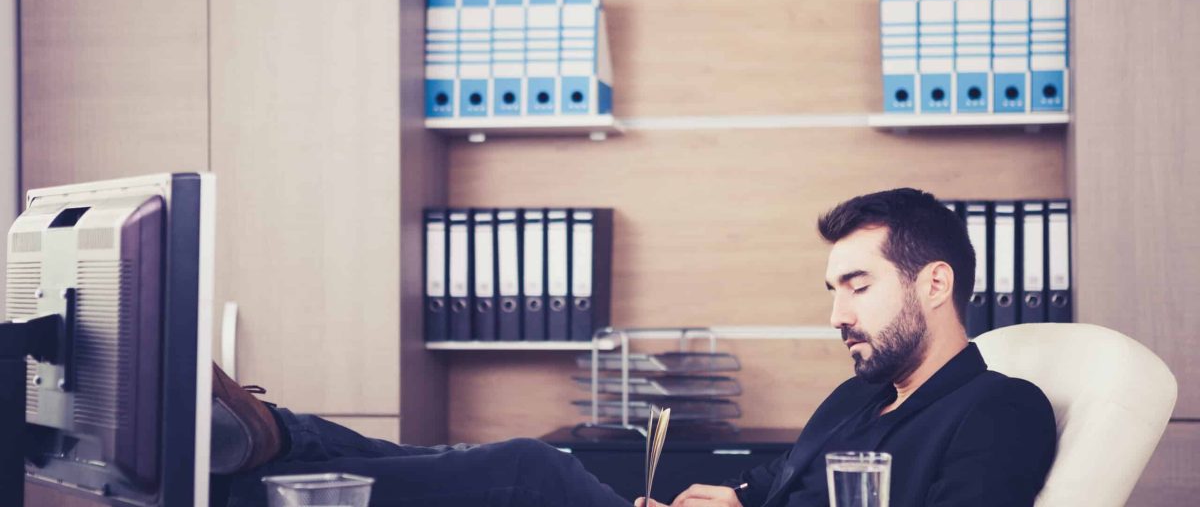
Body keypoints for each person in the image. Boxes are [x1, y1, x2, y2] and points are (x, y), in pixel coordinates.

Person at [213, 188, 1056, 507]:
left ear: (935, 285)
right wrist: (727, 496)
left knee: (524, 471)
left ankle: (272, 445)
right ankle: (271, 449)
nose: (836, 312)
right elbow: (784, 479)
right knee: (499, 478)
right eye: (831, 288)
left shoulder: (999, 410)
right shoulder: (861, 396)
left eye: (857, 285)